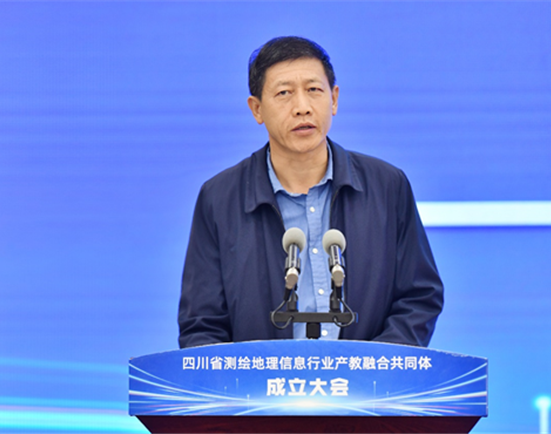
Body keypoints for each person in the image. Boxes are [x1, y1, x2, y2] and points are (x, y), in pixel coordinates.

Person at [178, 36, 443, 348]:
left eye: (314, 90)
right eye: (284, 93)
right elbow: (202, 324)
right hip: (261, 379)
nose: (302, 108)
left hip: (366, 379)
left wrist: (369, 369)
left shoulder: (387, 186)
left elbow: (418, 297)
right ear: (257, 109)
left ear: (334, 99)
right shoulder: (220, 198)